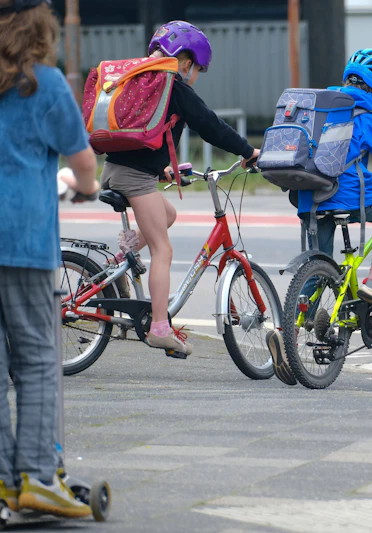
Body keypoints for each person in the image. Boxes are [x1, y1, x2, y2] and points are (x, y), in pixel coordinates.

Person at [0, 0, 99, 517]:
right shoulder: (43, 83)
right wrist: (84, 187)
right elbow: (82, 159)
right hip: (23, 240)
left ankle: (1, 481)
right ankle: (40, 475)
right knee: (39, 356)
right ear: (39, 24)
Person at [101, 21, 260, 356]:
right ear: (186, 61)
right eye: (198, 68)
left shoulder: (141, 77)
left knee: (168, 214)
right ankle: (160, 326)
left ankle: (120, 261)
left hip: (118, 169)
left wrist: (163, 171)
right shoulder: (171, 84)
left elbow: (142, 136)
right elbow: (211, 126)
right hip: (133, 177)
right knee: (163, 251)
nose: (196, 74)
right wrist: (248, 151)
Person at [265, 49, 372, 385]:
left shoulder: (323, 106)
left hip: (309, 194)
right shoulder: (363, 113)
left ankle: (287, 329)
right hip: (347, 191)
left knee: (318, 265)